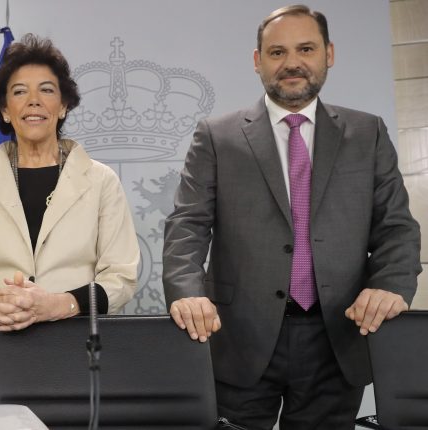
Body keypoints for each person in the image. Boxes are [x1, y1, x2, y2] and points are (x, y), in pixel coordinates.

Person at [163, 5, 421, 428]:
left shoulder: (367, 133)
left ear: (329, 54)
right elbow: (187, 224)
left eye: (306, 48)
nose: (292, 63)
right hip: (237, 337)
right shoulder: (217, 135)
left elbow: (396, 227)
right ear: (257, 60)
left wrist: (391, 285)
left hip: (337, 337)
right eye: (277, 52)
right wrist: (186, 291)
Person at [0, 34, 139, 409]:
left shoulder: (101, 181)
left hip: (75, 361)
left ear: (63, 106)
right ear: (5, 110)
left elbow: (120, 278)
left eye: (46, 90)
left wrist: (59, 304)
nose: (34, 101)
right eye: (19, 92)